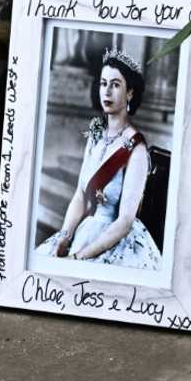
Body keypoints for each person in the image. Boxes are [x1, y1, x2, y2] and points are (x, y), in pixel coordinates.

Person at [36, 47, 162, 270]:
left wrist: (79, 257)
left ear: (130, 93)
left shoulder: (137, 149)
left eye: (116, 85)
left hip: (114, 239)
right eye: (104, 83)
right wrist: (65, 237)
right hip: (85, 229)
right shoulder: (95, 136)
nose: (107, 92)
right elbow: (80, 195)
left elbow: (124, 222)